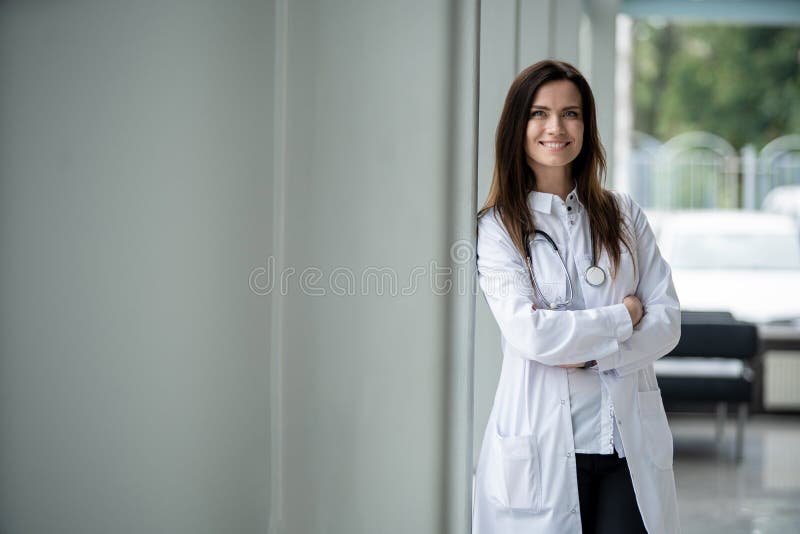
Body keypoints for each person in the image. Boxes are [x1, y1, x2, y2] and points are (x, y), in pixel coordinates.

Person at [472, 59, 681, 534]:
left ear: (586, 125)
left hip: (625, 445)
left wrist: (586, 354)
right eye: (539, 113)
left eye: (571, 113)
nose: (556, 127)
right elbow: (533, 335)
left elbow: (667, 321)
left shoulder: (623, 213)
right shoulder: (498, 227)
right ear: (517, 126)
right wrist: (625, 316)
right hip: (541, 446)